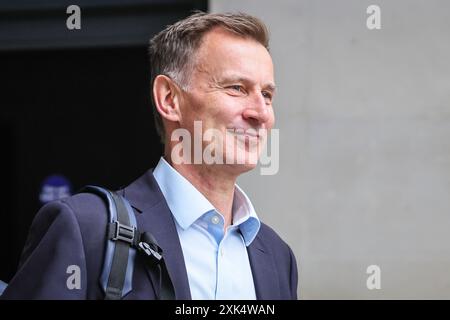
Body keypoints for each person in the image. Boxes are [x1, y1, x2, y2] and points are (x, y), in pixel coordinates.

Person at [1, 11, 298, 300]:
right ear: (169, 100)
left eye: (267, 95)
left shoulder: (277, 258)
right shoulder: (85, 229)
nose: (261, 113)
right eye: (237, 88)